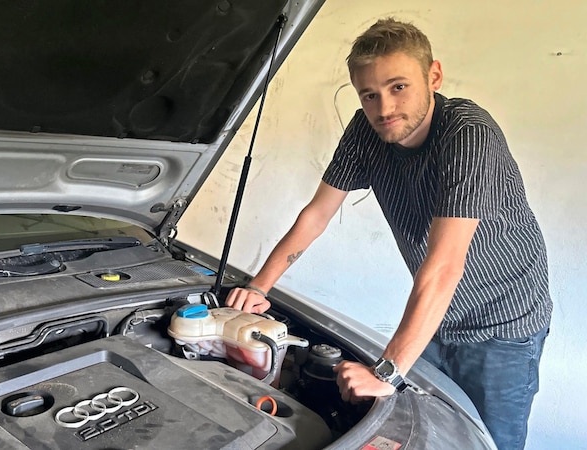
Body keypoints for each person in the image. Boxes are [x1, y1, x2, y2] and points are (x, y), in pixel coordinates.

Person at [225, 17, 552, 450]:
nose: (383, 109)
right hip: (438, 320)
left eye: (399, 87)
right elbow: (317, 215)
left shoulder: (468, 135)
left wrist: (388, 371)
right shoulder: (365, 131)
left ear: (433, 76)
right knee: (427, 436)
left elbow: (444, 265)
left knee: (488, 443)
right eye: (369, 95)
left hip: (503, 325)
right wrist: (259, 288)